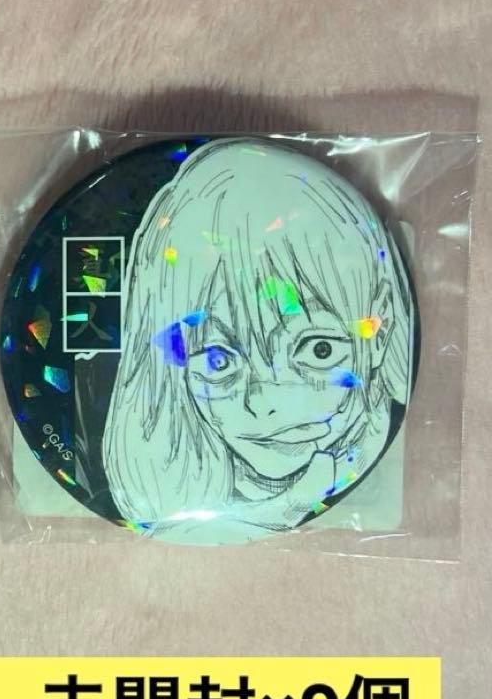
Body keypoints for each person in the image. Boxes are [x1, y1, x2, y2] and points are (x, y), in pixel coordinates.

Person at [101, 138, 413, 542]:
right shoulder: (169, 490)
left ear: (380, 324)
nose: (266, 402)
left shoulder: (384, 461)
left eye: (318, 349)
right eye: (219, 361)